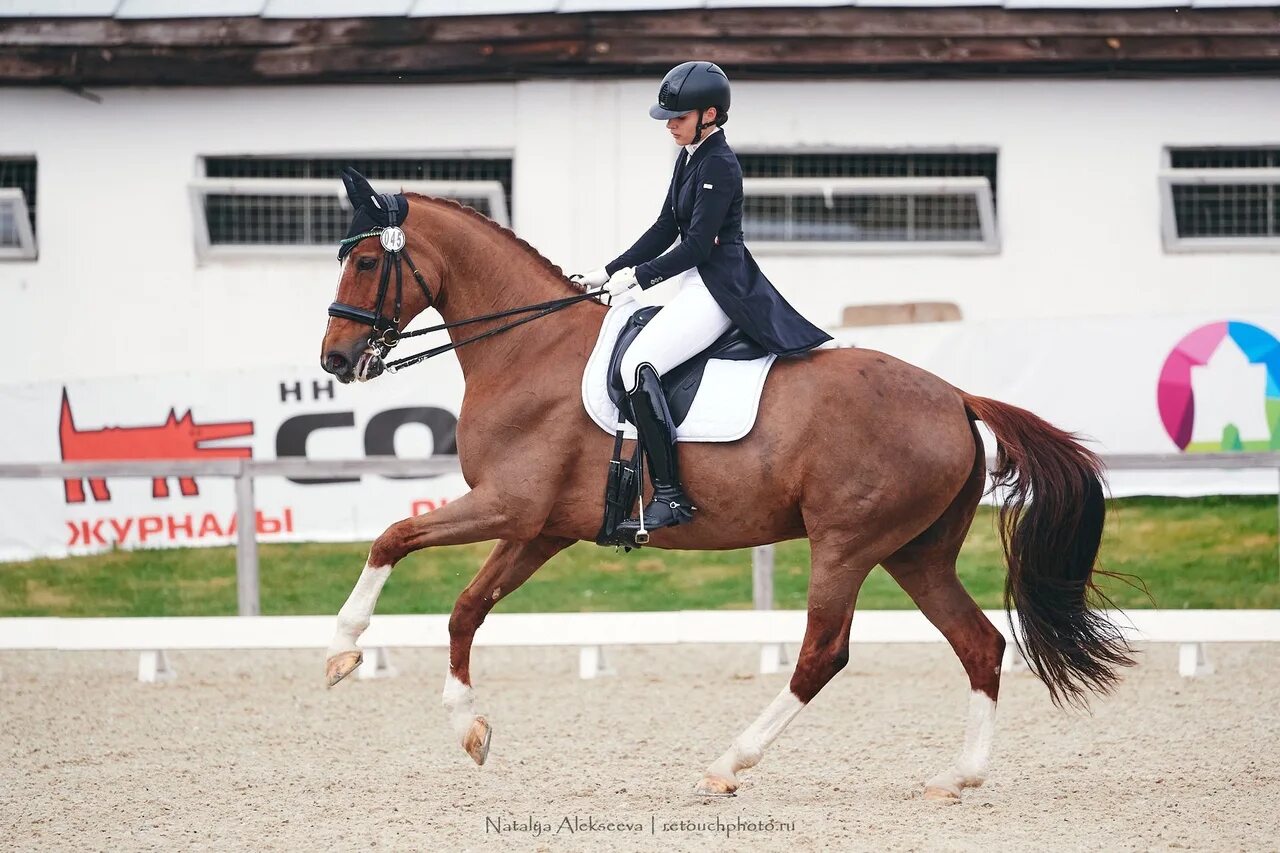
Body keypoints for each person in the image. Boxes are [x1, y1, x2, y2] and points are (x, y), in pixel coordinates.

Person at [577, 60, 832, 538]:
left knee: (638, 365)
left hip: (720, 290)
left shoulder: (719, 163)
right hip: (693, 283)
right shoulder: (691, 155)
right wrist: (608, 271)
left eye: (678, 116)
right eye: (668, 117)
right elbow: (664, 228)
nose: (669, 124)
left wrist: (638, 279)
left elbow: (697, 245)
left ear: (709, 114)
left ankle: (670, 496)